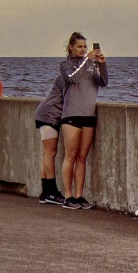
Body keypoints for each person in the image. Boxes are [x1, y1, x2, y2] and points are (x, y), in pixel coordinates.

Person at [55, 33, 108, 210]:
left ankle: (79, 195)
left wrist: (102, 63)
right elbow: (73, 78)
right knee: (70, 156)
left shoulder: (91, 64)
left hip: (88, 114)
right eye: (80, 47)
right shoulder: (65, 65)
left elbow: (103, 81)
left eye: (85, 47)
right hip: (71, 114)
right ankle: (68, 195)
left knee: (82, 157)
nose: (84, 50)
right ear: (71, 47)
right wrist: (87, 61)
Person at [33, 57, 66, 205]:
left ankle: (45, 192)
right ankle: (51, 191)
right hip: (48, 115)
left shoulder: (67, 77)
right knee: (50, 153)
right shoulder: (67, 78)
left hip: (46, 114)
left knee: (47, 153)